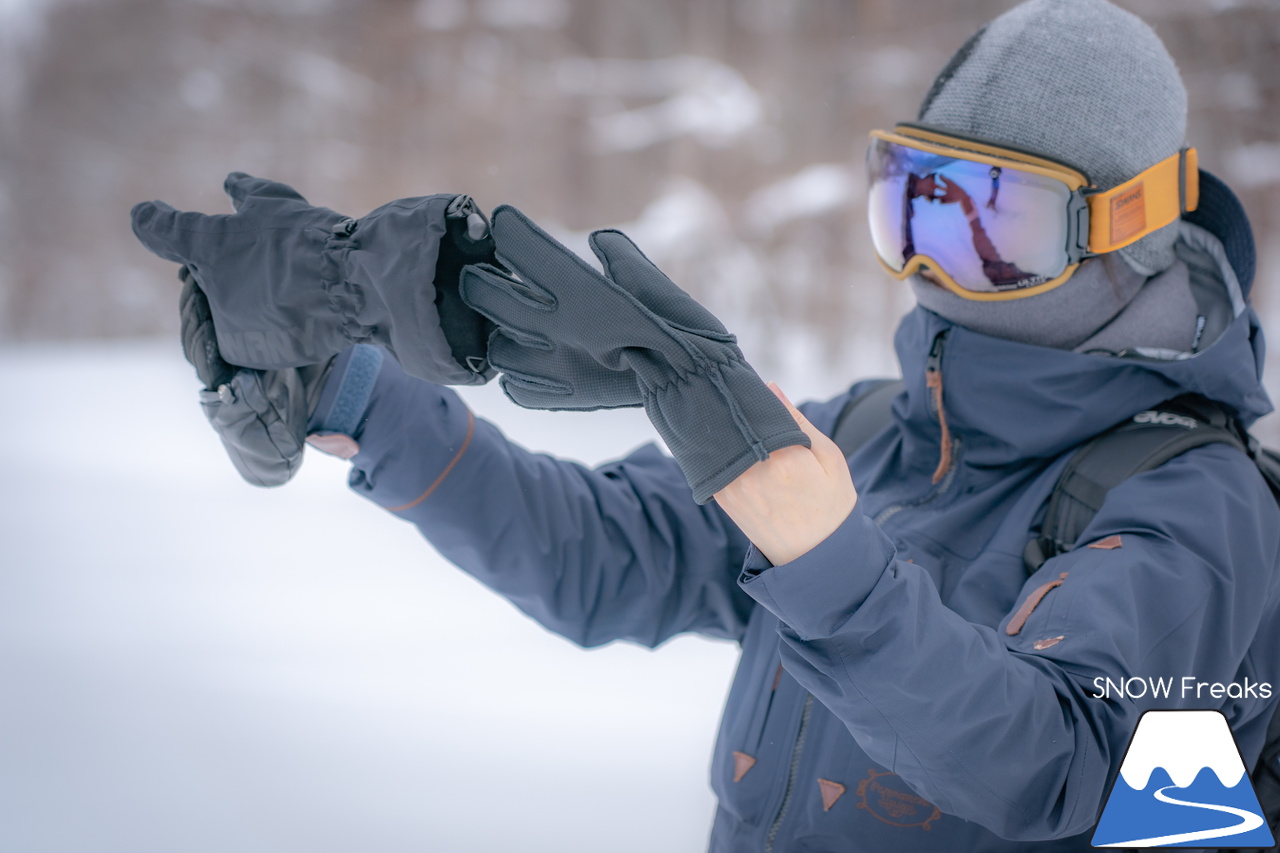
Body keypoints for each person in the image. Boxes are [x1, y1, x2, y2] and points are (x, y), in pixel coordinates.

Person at [130, 0, 1280, 849]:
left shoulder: (1194, 501)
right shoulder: (878, 434)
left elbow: (1061, 758)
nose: (935, 264)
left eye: (996, 223)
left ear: (1125, 230)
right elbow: (601, 555)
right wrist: (361, 391)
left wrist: (826, 560)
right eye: (913, 200)